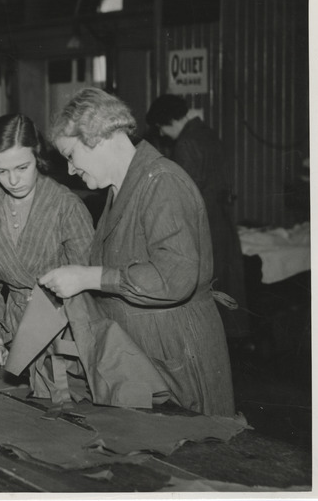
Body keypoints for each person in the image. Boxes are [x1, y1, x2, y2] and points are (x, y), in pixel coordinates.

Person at [40, 88, 235, 417]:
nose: (71, 170)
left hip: (177, 352)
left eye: (71, 156)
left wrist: (89, 277)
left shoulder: (162, 182)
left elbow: (174, 278)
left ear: (102, 138)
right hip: (149, 352)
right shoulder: (120, 189)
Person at [0, 114, 94, 401]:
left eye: (22, 168)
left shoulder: (66, 206)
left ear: (38, 157)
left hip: (66, 338)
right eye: (1, 171)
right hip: (14, 339)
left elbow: (89, 289)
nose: (12, 180)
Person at [145, 94, 249, 339]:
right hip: (221, 219)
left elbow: (182, 195)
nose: (161, 134)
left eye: (160, 127)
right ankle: (235, 339)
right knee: (227, 282)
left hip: (205, 225)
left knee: (207, 289)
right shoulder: (207, 133)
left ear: (167, 121)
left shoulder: (186, 143)